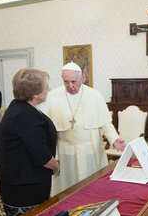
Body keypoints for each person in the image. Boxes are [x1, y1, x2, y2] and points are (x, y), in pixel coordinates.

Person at [40, 62, 125, 195]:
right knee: (67, 190)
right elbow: (46, 128)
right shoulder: (52, 96)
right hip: (66, 153)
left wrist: (114, 139)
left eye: (73, 81)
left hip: (91, 152)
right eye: (66, 82)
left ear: (82, 78)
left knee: (92, 189)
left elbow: (106, 123)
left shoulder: (95, 95)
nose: (70, 86)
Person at [0, 68, 59, 216]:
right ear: (35, 93)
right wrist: (56, 166)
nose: (48, 89)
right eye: (46, 86)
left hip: (20, 178)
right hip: (25, 183)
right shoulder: (25, 116)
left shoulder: (18, 106)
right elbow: (42, 156)